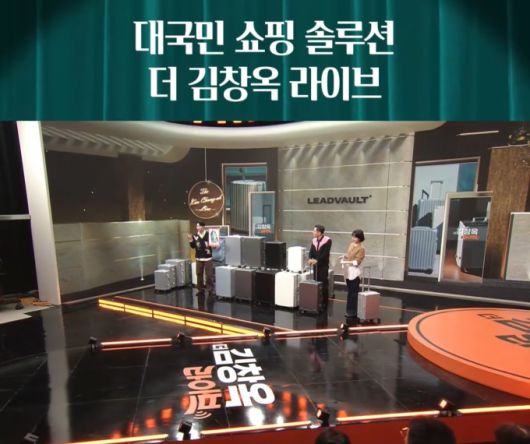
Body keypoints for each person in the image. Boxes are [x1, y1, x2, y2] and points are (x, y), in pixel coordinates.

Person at [340, 229, 366, 323]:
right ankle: (349, 311)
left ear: (360, 238)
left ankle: (353, 312)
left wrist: (346, 262)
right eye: (353, 236)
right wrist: (344, 256)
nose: (353, 238)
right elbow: (349, 256)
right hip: (348, 271)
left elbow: (357, 262)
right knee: (350, 292)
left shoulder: (361, 248)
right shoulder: (351, 245)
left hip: (355, 272)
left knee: (353, 293)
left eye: (355, 237)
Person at [188, 222, 216, 295]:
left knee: (209, 275)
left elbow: (214, 245)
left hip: (208, 258)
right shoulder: (195, 235)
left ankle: (210, 289)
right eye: (197, 226)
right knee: (199, 274)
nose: (197, 228)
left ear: (203, 227)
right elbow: (193, 246)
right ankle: (200, 289)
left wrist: (214, 245)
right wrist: (190, 240)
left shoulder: (209, 234)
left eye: (198, 226)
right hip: (199, 258)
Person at [308, 224, 332, 306]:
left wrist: (317, 260)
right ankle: (316, 301)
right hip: (315, 265)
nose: (313, 232)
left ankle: (324, 303)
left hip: (323, 266)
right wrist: (310, 258)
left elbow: (325, 254)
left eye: (314, 231)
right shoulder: (314, 240)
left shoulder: (327, 240)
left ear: (319, 232)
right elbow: (311, 251)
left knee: (323, 284)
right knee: (315, 282)